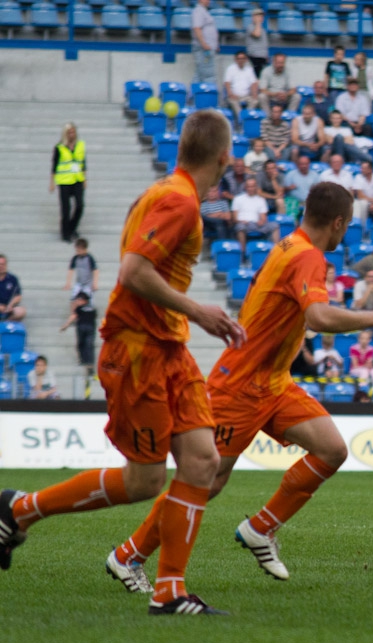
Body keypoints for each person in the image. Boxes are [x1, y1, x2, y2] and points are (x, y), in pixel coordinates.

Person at [0, 110, 244, 615]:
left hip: (167, 349)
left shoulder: (162, 193)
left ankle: (169, 591)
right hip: (137, 353)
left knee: (203, 460)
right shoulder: (177, 202)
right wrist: (199, 310)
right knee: (145, 481)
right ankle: (19, 509)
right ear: (224, 156)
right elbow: (133, 271)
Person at [107, 182, 373, 588]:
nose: (345, 232)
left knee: (331, 449)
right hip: (240, 385)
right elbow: (317, 317)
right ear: (337, 223)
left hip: (273, 382)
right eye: (347, 225)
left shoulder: (289, 245)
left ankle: (260, 528)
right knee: (205, 482)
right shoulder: (308, 257)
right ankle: (128, 555)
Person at [50, 122, 86, 243]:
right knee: (66, 209)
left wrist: (85, 179)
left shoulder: (80, 145)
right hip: (64, 181)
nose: (72, 134)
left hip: (77, 179)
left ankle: (72, 227)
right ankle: (65, 233)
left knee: (80, 206)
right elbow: (54, 166)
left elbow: (83, 163)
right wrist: (52, 182)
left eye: (73, 132)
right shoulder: (59, 147)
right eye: (70, 132)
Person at [233, 177, 280, 256]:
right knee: (240, 227)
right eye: (249, 186)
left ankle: (276, 253)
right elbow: (234, 218)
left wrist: (262, 221)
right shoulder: (238, 199)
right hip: (244, 224)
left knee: (275, 225)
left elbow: (263, 217)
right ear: (245, 187)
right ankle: (243, 254)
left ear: (256, 187)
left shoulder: (261, 200)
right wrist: (241, 221)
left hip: (257, 224)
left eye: (253, 186)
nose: (251, 188)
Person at [60, 292, 97, 375]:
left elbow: (74, 316)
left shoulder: (79, 308)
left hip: (82, 327)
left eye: (78, 299)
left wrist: (65, 325)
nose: (77, 301)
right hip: (91, 328)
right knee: (89, 346)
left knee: (81, 345)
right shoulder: (93, 308)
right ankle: (90, 365)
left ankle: (83, 362)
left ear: (83, 300)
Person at [223, 51, 259, 124]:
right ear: (235, 59)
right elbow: (227, 83)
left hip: (247, 96)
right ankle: (242, 121)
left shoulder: (249, 69)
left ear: (246, 59)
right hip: (234, 96)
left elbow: (254, 83)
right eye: (239, 58)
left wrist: (254, 94)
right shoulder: (230, 69)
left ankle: (247, 117)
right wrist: (230, 94)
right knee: (234, 102)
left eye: (243, 58)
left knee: (255, 100)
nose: (241, 60)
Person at [191, 0, 218, 86]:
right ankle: (206, 94)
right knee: (207, 74)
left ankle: (194, 95)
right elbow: (197, 28)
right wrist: (204, 44)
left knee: (200, 73)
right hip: (203, 49)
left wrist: (215, 44)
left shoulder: (204, 11)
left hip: (207, 47)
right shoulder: (198, 11)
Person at [64, 237, 99, 303]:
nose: (77, 252)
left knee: (88, 299)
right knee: (74, 298)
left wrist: (95, 283)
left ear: (84, 249)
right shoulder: (75, 258)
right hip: (79, 282)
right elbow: (71, 270)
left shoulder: (89, 258)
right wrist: (68, 283)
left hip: (88, 283)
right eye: (76, 250)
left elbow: (95, 271)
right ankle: (73, 313)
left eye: (78, 251)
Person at [244, 8, 268, 77]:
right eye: (259, 16)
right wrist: (257, 23)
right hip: (254, 58)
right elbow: (257, 34)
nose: (261, 18)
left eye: (262, 16)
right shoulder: (250, 27)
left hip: (262, 58)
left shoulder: (262, 29)